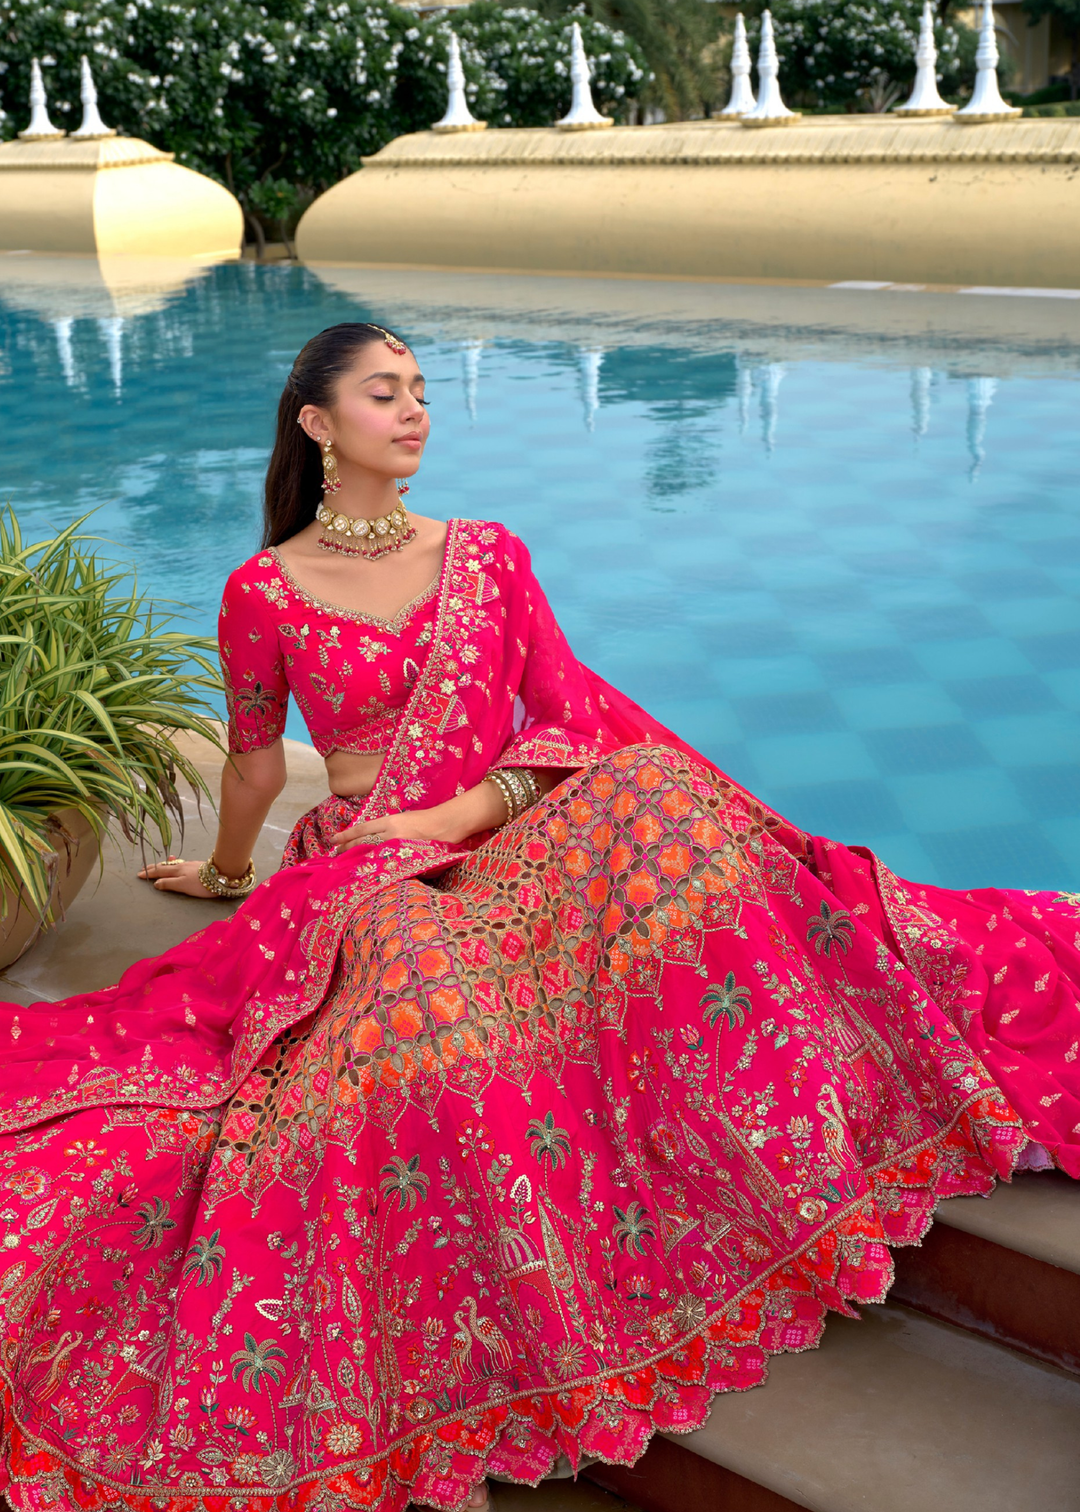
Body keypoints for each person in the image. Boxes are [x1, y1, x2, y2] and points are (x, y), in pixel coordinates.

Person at [1, 321, 1078, 1512]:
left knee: (659, 795)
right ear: (316, 424)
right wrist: (224, 870)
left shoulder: (490, 555)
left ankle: (822, 1111)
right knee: (421, 991)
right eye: (383, 394)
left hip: (504, 824)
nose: (414, 411)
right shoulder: (263, 589)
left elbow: (567, 716)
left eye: (418, 391)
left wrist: (469, 805)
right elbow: (253, 762)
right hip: (369, 867)